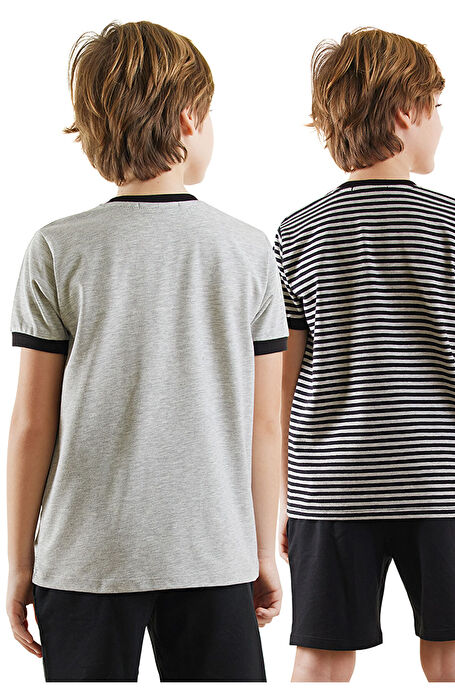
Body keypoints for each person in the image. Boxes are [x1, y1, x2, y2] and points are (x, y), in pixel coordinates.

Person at [6, 20, 288, 682]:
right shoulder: (248, 251)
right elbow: (265, 423)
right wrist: (259, 554)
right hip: (213, 554)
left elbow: (31, 423)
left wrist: (19, 563)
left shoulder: (57, 248)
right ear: (190, 118)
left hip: (83, 560)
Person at [274, 26, 455, 683]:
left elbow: (281, 385)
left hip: (331, 489)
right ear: (406, 112)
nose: (441, 125)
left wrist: (288, 497)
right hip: (444, 483)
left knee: (321, 657)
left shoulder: (295, 234)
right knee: (454, 650)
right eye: (436, 107)